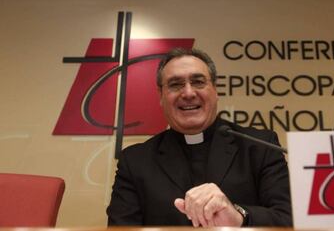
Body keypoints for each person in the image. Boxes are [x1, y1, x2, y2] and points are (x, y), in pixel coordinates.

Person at [106, 48, 292, 227]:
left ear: (215, 90)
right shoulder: (135, 162)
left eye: (198, 82)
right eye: (175, 84)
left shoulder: (260, 147)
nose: (188, 93)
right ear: (161, 96)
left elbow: (288, 219)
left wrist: (238, 216)